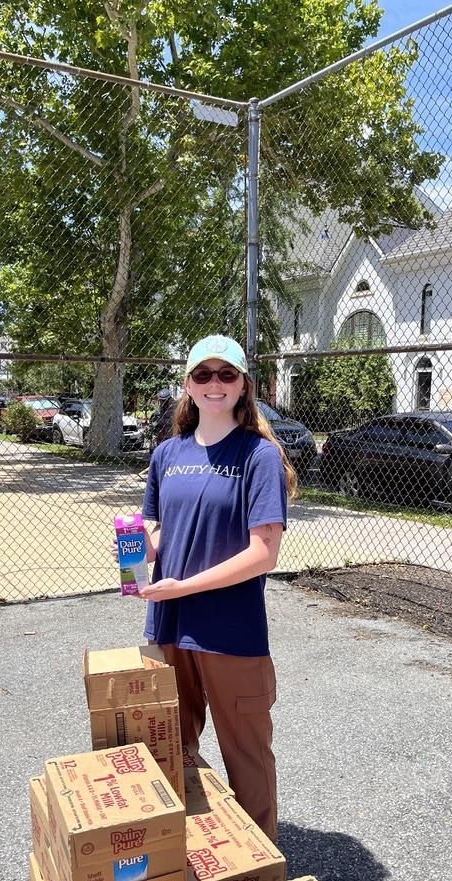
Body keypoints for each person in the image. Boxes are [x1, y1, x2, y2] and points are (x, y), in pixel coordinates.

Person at [119, 334, 298, 841]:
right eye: (203, 374)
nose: (214, 384)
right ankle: (195, 858)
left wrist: (184, 587)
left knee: (246, 755)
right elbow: (161, 531)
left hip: (230, 632)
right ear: (188, 384)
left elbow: (263, 553)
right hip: (170, 624)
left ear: (243, 385)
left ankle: (260, 865)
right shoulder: (166, 455)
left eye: (226, 374)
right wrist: (141, 549)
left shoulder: (258, 456)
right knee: (173, 748)